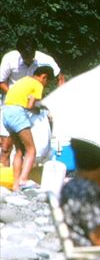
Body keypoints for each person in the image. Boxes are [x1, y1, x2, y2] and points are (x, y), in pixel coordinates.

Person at [1, 38, 62, 167]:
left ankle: (25, 179)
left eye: (31, 56)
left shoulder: (46, 60)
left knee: (37, 149)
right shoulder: (9, 59)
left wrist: (57, 101)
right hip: (12, 106)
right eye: (25, 57)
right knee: (6, 147)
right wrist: (17, 96)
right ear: (19, 52)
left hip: (34, 107)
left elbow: (60, 78)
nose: (29, 59)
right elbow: (1, 81)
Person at [1, 66, 52, 188]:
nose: (45, 85)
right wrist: (40, 110)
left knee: (19, 150)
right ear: (44, 77)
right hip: (17, 113)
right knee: (31, 150)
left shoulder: (23, 80)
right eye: (47, 82)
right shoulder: (38, 84)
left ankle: (15, 185)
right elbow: (29, 106)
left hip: (5, 113)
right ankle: (23, 180)